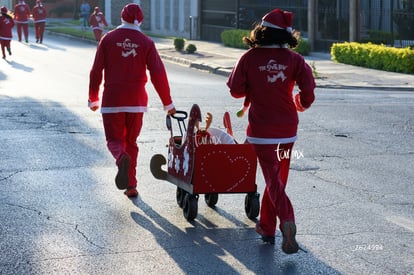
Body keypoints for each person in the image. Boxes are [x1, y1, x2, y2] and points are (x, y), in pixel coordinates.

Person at [226, 8, 315, 254]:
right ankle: (266, 226)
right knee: (277, 180)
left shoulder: (249, 58)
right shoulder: (295, 60)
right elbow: (308, 92)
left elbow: (235, 90)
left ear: (262, 32)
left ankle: (286, 220)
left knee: (273, 181)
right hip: (287, 130)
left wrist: (254, 86)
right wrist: (300, 103)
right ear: (284, 36)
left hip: (262, 130)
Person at [88, 3, 176, 198]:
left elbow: (96, 71)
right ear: (141, 20)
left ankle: (120, 158)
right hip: (136, 101)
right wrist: (168, 104)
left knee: (114, 140)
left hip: (113, 100)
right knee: (131, 142)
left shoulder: (108, 39)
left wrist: (93, 98)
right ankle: (131, 185)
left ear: (121, 17)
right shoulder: (146, 42)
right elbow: (158, 74)